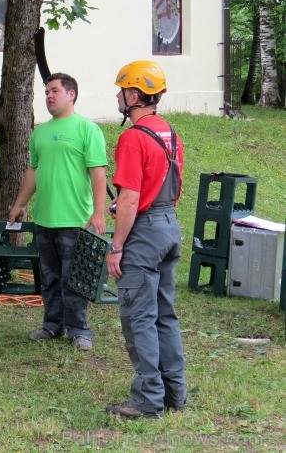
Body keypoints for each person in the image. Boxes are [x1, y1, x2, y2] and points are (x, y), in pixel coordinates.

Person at [105, 60, 187, 420]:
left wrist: (118, 245)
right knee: (164, 316)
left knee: (139, 317)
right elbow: (171, 184)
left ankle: (147, 401)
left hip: (143, 233)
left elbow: (130, 198)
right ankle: (175, 393)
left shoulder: (133, 137)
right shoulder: (170, 132)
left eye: (122, 90)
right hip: (168, 223)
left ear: (134, 95)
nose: (119, 96)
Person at [8, 73, 107, 351]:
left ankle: (79, 330)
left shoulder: (87, 129)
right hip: (45, 218)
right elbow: (33, 172)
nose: (49, 96)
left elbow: (98, 174)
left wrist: (98, 212)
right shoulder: (40, 132)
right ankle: (52, 324)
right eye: (46, 92)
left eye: (54, 91)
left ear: (71, 94)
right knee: (49, 276)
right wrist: (20, 203)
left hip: (75, 219)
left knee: (73, 278)